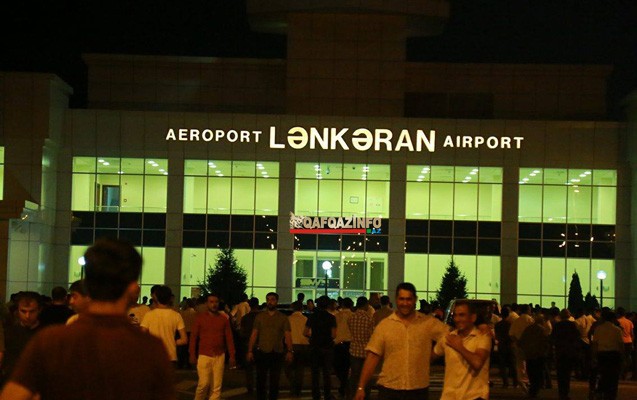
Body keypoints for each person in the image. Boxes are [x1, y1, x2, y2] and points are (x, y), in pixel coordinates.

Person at [0, 238, 176, 400]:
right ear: (133, 289)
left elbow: (13, 396)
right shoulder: (149, 349)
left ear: (87, 285)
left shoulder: (51, 341)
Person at [354, 282, 449, 400]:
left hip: (418, 389)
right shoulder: (385, 325)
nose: (405, 303)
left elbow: (449, 335)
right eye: (402, 299)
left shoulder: (427, 323)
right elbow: (372, 356)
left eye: (409, 299)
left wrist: (435, 353)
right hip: (390, 389)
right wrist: (361, 387)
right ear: (396, 300)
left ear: (415, 300)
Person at [433, 300, 491, 400]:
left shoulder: (482, 337)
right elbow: (430, 357)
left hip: (474, 397)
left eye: (462, 315)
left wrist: (459, 347)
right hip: (450, 396)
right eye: (455, 315)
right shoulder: (448, 337)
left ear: (473, 318)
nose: (457, 319)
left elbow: (477, 363)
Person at [247, 292, 293, 400]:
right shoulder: (260, 317)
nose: (270, 302)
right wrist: (250, 350)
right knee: (260, 380)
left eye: (272, 299)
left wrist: (290, 351)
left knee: (275, 380)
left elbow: (288, 335)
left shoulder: (283, 318)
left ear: (277, 301)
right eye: (268, 299)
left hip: (277, 351)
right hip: (262, 351)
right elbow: (254, 334)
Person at [189, 293, 236, 400]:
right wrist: (192, 354)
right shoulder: (200, 318)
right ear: (207, 303)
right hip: (204, 355)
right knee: (203, 384)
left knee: (216, 387)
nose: (214, 304)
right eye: (211, 302)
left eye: (216, 302)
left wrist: (232, 355)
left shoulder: (223, 319)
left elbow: (229, 338)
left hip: (219, 355)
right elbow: (193, 337)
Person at [0, 291, 42, 383]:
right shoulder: (8, 333)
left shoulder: (46, 334)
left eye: (32, 311)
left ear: (39, 310)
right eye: (23, 311)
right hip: (12, 381)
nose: (27, 316)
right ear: (17, 311)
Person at [141, 285, 188, 364]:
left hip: (153, 355)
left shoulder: (149, 315)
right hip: (170, 356)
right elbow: (184, 340)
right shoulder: (176, 315)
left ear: (156, 298)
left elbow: (142, 335)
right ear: (170, 298)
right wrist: (172, 341)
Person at [304, 295, 337, 400]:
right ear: (328, 305)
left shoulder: (312, 317)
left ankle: (316, 395)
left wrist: (312, 337)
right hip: (327, 347)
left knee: (315, 373)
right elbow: (334, 335)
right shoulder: (331, 318)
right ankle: (327, 394)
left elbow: (305, 332)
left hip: (315, 347)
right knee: (327, 373)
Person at [592, 309, 624, 400]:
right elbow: (621, 345)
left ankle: (601, 392)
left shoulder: (598, 329)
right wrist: (623, 357)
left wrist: (594, 356)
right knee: (613, 376)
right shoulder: (617, 330)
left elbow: (595, 344)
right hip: (614, 355)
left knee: (603, 374)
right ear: (613, 319)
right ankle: (611, 394)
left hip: (602, 354)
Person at [517, 313, 550, 398]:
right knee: (538, 373)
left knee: (531, 373)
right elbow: (545, 343)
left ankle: (532, 390)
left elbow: (521, 341)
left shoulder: (528, 329)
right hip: (539, 355)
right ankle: (534, 390)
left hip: (529, 355)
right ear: (542, 321)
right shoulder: (542, 330)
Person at [348, 296, 374, 400]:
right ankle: (365, 396)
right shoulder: (369, 318)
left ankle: (353, 396)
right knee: (366, 377)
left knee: (354, 376)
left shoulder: (351, 317)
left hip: (354, 351)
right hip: (366, 352)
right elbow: (371, 336)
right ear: (365, 305)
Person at [551, 309, 580, 400]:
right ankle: (565, 393)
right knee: (567, 374)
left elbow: (553, 338)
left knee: (560, 374)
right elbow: (577, 337)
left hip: (560, 351)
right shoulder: (573, 325)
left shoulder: (557, 325)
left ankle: (561, 393)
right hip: (569, 352)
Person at [284, 300, 310, 397]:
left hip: (291, 344)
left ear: (292, 308)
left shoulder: (288, 319)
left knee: (288, 368)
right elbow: (309, 333)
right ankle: (298, 389)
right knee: (300, 369)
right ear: (302, 308)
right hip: (303, 345)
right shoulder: (306, 319)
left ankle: (293, 385)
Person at [333, 297, 353, 398]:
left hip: (337, 344)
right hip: (349, 344)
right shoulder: (353, 316)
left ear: (342, 305)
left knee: (337, 367)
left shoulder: (336, 316)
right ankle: (345, 386)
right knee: (347, 367)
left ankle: (343, 385)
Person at [241, 297, 260, 393]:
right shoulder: (262, 317)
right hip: (260, 344)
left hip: (248, 344)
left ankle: (250, 387)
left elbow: (242, 333)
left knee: (249, 369)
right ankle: (260, 386)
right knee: (260, 368)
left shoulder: (245, 318)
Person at [494, 307, 517, 388]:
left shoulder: (498, 325)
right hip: (510, 345)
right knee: (513, 365)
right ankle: (515, 383)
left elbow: (496, 336)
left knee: (502, 365)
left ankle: (505, 383)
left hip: (502, 346)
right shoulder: (511, 324)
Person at [617, 307, 634, 379]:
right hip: (629, 341)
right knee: (627, 358)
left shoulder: (617, 321)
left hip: (620, 342)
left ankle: (620, 373)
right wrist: (632, 343)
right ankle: (625, 373)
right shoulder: (629, 322)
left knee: (620, 358)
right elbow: (632, 334)